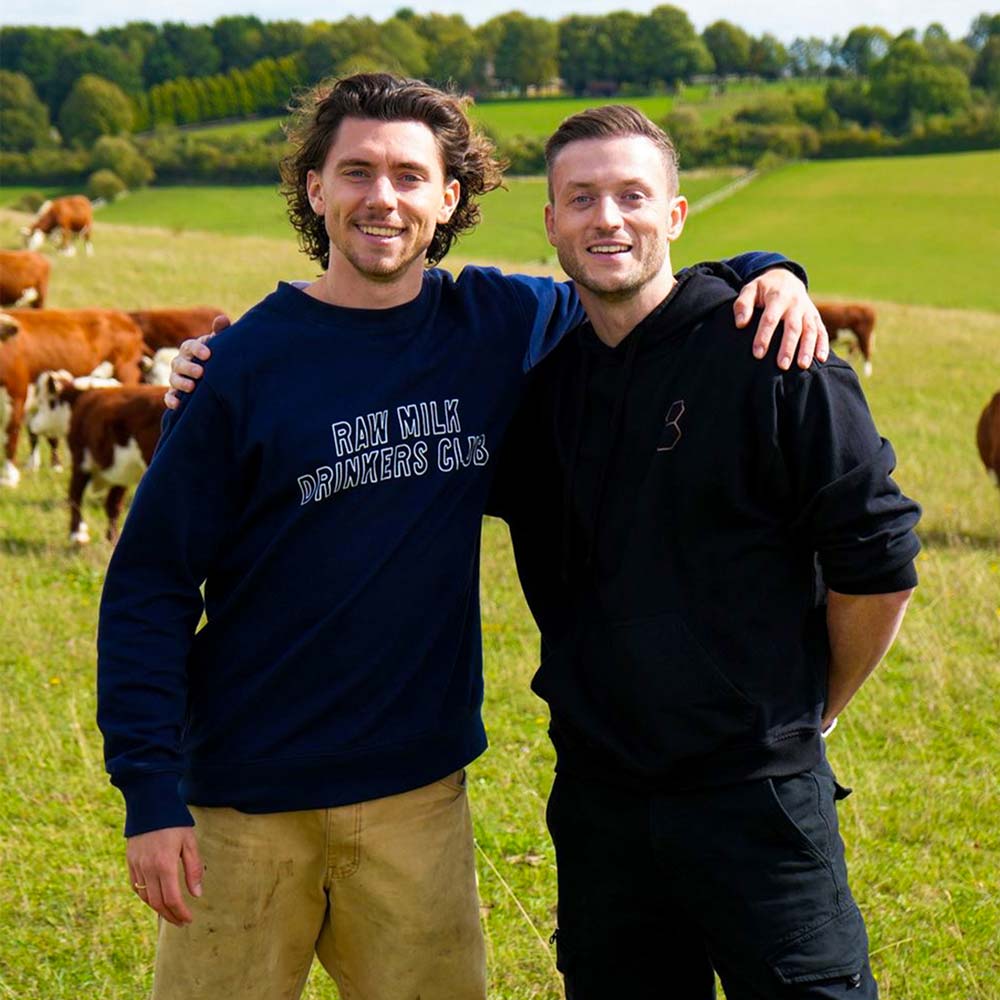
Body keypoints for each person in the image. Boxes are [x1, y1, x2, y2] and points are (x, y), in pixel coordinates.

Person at [103, 73, 824, 1000]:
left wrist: (768, 271)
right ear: (315, 189)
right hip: (242, 804)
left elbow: (639, 283)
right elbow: (149, 588)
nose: (382, 198)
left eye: (410, 175)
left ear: (450, 199)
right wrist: (149, 793)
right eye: (355, 171)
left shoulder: (497, 321)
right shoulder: (239, 368)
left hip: (418, 800)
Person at [489, 105, 920, 998]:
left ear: (676, 214)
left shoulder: (773, 353)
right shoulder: (540, 391)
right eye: (582, 199)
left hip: (755, 800)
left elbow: (877, 561)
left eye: (632, 195)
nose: (608, 218)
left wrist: (809, 710)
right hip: (601, 808)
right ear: (552, 224)